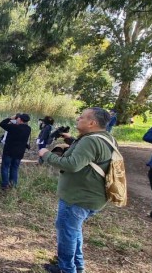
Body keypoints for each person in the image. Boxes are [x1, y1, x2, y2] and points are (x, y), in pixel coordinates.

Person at [37, 107, 114, 273]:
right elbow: (92, 156)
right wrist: (72, 141)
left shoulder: (90, 141)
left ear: (92, 123)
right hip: (91, 197)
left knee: (67, 233)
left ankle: (66, 269)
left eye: (82, 117)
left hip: (78, 198)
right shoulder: (104, 137)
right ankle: (77, 267)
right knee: (74, 231)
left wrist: (46, 154)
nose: (78, 119)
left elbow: (72, 165)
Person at [0, 113, 32, 190]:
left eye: (17, 118)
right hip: (20, 152)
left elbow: (2, 124)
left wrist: (10, 118)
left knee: (5, 167)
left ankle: (5, 184)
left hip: (9, 151)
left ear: (20, 119)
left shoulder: (14, 127)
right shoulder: (28, 129)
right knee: (14, 168)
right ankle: (13, 184)